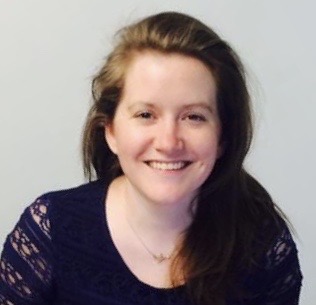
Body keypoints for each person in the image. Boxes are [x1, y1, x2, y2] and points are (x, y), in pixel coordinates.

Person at [0, 11, 302, 305]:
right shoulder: (49, 229)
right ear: (111, 131)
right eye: (146, 114)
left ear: (223, 137)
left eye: (194, 117)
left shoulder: (262, 244)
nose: (169, 142)